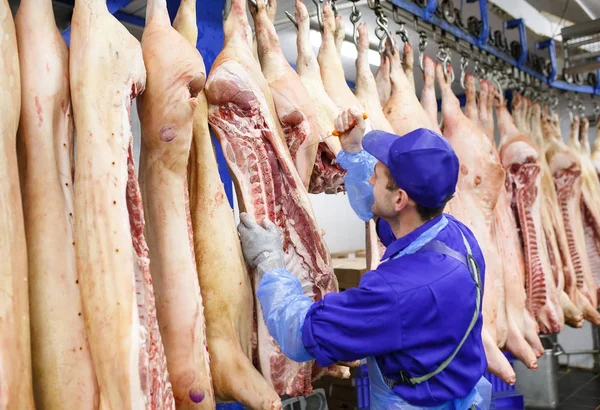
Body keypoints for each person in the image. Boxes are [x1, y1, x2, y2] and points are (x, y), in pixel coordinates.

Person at [237, 106, 492, 410]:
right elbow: (379, 212)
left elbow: (298, 334)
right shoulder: (453, 235)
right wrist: (355, 153)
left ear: (400, 200)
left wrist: (269, 260)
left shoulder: (396, 293)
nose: (371, 180)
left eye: (377, 174)